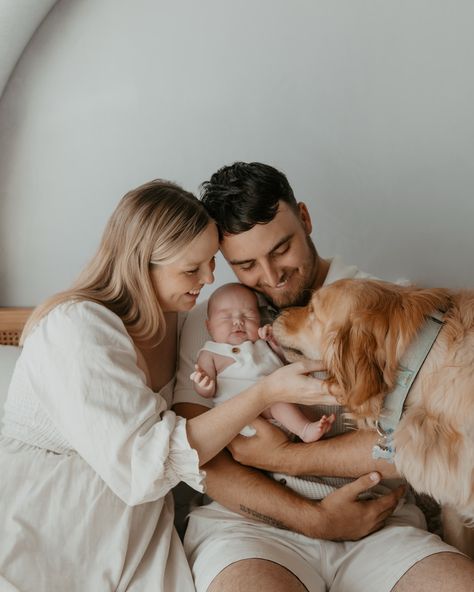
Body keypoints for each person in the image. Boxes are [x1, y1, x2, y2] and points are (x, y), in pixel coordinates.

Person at [0, 179, 329, 591]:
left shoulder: (181, 319)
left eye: (211, 261)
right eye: (192, 269)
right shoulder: (78, 328)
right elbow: (143, 466)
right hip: (54, 523)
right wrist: (265, 393)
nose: (209, 278)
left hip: (137, 528)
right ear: (141, 265)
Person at [173, 163, 474, 592]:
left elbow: (402, 447)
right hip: (250, 531)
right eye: (247, 265)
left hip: (378, 524)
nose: (271, 276)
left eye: (281, 249)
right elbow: (196, 454)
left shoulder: (387, 308)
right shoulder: (208, 321)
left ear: (305, 218)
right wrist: (314, 520)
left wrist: (282, 458)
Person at [191, 282, 335, 442]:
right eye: (226, 317)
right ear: (209, 326)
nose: (238, 321)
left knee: (307, 411)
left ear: (259, 320)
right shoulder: (211, 352)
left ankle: (313, 432)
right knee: (277, 402)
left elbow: (283, 363)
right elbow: (206, 392)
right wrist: (204, 385)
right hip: (242, 418)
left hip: (281, 412)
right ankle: (305, 430)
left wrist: (274, 342)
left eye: (248, 315)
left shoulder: (262, 344)